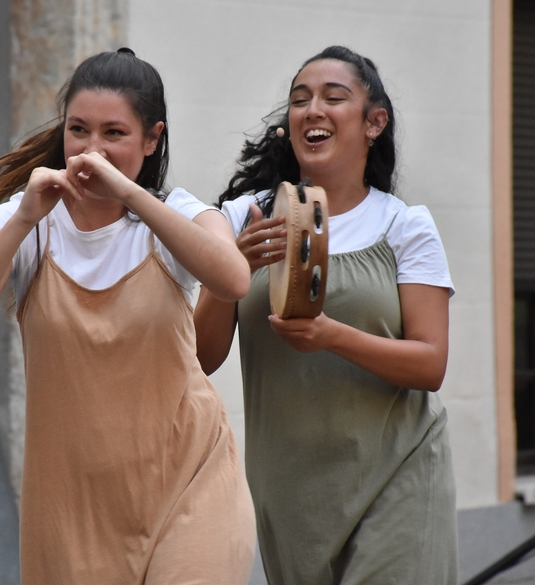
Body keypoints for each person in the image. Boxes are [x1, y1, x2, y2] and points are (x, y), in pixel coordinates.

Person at [0, 49, 255, 584]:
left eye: (114, 134)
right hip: (74, 513)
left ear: (151, 140)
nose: (91, 150)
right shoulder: (24, 220)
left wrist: (129, 193)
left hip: (190, 484)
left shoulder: (177, 213)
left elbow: (233, 279)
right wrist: (23, 218)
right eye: (78, 130)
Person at [194, 45, 458, 584]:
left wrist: (330, 335)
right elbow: (202, 355)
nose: (312, 109)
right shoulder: (242, 217)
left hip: (399, 475)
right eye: (299, 100)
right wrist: (231, 271)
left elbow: (431, 364)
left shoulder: (405, 226)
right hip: (290, 491)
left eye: (333, 98)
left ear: (373, 122)